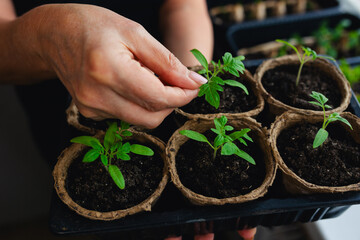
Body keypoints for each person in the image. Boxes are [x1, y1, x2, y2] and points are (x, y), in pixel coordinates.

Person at [0, 1, 256, 239]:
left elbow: (183, 7)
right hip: (62, 106)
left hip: (169, 73)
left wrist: (181, 80)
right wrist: (49, 37)